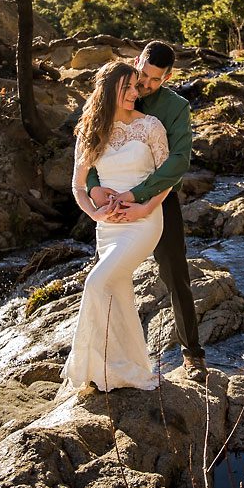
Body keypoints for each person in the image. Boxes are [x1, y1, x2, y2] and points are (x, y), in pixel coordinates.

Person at [87, 41, 208, 383]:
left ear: (168, 77)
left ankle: (192, 354)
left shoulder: (175, 107)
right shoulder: (116, 86)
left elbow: (178, 161)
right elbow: (89, 142)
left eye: (156, 80)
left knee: (174, 272)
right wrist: (95, 187)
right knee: (108, 277)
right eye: (144, 75)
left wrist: (140, 196)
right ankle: (108, 359)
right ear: (137, 61)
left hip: (157, 197)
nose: (146, 84)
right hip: (110, 198)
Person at [61, 62, 171, 395]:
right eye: (128, 88)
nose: (135, 94)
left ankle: (89, 365)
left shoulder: (151, 126)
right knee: (116, 292)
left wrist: (145, 206)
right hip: (108, 227)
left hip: (144, 220)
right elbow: (78, 185)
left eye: (136, 87)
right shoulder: (91, 129)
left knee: (96, 282)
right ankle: (126, 368)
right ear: (109, 90)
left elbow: (166, 179)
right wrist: (95, 215)